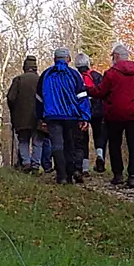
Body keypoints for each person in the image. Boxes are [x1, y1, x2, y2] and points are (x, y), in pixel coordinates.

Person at [96, 43, 134, 189]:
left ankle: (118, 174)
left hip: (115, 113)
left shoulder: (111, 73)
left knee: (115, 144)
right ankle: (133, 176)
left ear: (116, 57)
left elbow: (101, 92)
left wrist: (88, 90)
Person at [38, 48, 90, 183]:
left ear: (54, 59)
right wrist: (84, 117)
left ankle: (61, 176)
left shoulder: (46, 75)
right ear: (68, 59)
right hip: (71, 116)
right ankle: (69, 175)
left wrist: (40, 117)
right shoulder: (74, 75)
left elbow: (39, 98)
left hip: (52, 116)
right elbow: (82, 97)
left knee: (57, 145)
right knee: (70, 145)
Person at [5, 55, 42, 171]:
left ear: (24, 67)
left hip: (21, 117)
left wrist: (14, 111)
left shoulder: (18, 80)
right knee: (37, 141)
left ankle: (26, 162)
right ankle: (36, 165)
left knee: (23, 140)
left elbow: (11, 98)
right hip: (39, 116)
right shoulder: (41, 80)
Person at [76, 53, 103, 174]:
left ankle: (85, 167)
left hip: (82, 111)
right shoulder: (97, 76)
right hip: (97, 109)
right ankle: (100, 155)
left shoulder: (76, 77)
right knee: (98, 134)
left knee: (83, 139)